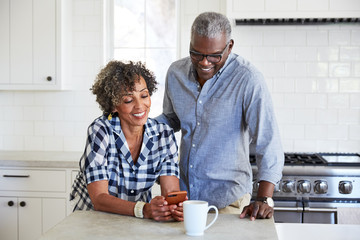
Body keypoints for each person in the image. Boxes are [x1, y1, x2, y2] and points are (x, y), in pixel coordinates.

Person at [155, 12, 284, 221]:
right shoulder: (176, 73)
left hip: (230, 202)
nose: (204, 62)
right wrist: (136, 124)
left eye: (214, 55)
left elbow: (268, 141)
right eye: (196, 53)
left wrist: (264, 198)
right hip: (185, 199)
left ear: (229, 46)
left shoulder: (248, 79)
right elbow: (172, 119)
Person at [70, 60, 184, 222]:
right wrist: (144, 209)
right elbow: (99, 198)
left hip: (137, 221)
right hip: (93, 220)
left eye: (144, 96)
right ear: (113, 105)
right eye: (128, 100)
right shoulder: (101, 130)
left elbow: (171, 191)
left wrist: (174, 207)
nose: (140, 106)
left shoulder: (163, 134)